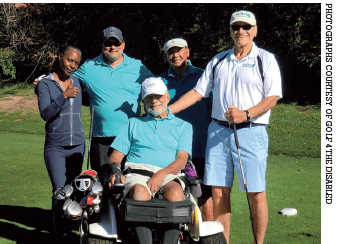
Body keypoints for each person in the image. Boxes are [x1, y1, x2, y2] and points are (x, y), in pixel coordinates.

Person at [168, 10, 283, 244]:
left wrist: (246, 114)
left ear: (255, 30)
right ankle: (224, 242)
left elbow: (272, 97)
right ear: (230, 31)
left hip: (251, 131)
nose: (241, 31)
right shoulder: (219, 60)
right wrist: (168, 110)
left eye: (246, 27)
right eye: (236, 27)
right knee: (219, 192)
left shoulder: (265, 59)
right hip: (218, 132)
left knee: (256, 193)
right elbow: (198, 92)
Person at [35, 27, 154, 172]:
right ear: (101, 45)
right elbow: (65, 77)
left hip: (131, 136)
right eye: (108, 44)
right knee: (102, 185)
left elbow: (156, 87)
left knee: (131, 183)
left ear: (123, 44)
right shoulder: (89, 67)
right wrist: (44, 80)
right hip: (101, 138)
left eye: (116, 43)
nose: (112, 47)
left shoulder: (137, 66)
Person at [107, 77, 193, 244]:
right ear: (143, 101)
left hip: (169, 173)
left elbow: (182, 160)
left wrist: (161, 174)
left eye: (158, 96)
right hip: (137, 172)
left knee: (176, 194)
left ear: (167, 97)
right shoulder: (133, 123)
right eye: (149, 97)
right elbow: (116, 155)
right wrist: (116, 170)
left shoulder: (183, 126)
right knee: (140, 193)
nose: (154, 101)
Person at [157, 35, 214, 221]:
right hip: (171, 150)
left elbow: (214, 108)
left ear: (187, 51)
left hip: (200, 146)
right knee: (174, 193)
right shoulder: (161, 82)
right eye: (170, 52)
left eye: (179, 50)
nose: (175, 55)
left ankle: (206, 236)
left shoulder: (203, 76)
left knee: (204, 195)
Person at [35, 45, 85, 239]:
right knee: (59, 191)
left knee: (74, 191)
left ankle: (70, 231)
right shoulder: (45, 83)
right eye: (69, 60)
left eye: (76, 62)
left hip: (78, 145)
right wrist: (63, 96)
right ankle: (58, 235)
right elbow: (45, 114)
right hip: (55, 146)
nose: (71, 65)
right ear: (60, 58)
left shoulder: (78, 82)